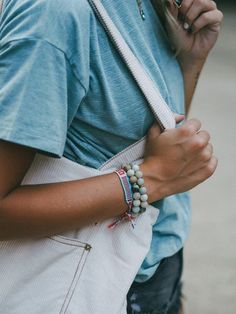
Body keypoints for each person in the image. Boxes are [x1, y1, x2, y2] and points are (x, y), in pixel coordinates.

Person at [0, 0, 223, 313]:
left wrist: (189, 62)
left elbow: (148, 138)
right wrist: (149, 179)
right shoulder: (53, 14)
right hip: (94, 286)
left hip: (156, 271)